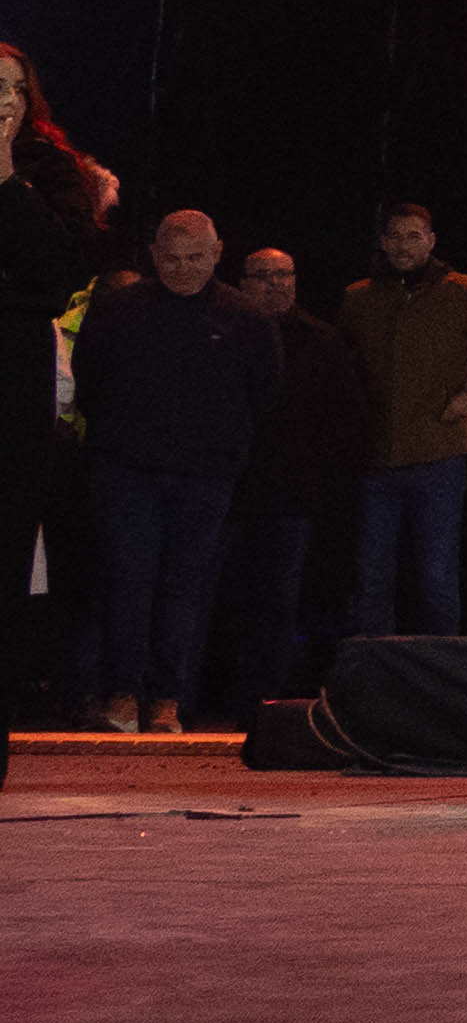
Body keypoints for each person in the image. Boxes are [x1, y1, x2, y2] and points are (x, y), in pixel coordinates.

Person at [72, 208, 277, 732]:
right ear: (154, 256)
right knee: (127, 581)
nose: (183, 269)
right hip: (127, 470)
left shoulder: (246, 320)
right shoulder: (118, 311)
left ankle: (165, 699)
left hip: (206, 476)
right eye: (172, 258)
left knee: (184, 588)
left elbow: (263, 398)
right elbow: (89, 380)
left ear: (216, 253)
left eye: (195, 258)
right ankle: (121, 694)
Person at [0, 41, 119, 756]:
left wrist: (4, 175)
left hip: (11, 369)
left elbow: (56, 274)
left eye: (15, 87)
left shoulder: (51, 174)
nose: (4, 99)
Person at [337, 199, 467, 640]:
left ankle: (439, 678)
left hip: (438, 454)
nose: (403, 245)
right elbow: (341, 367)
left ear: (431, 241)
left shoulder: (462, 291)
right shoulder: (360, 298)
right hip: (375, 457)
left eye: (413, 236)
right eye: (395, 236)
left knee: (435, 579)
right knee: (369, 580)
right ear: (383, 242)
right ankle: (376, 680)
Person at [221, 247, 374, 714]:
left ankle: (267, 700)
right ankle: (221, 695)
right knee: (224, 598)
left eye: (285, 273)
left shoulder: (322, 341)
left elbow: (345, 421)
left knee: (280, 601)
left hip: (292, 493)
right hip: (227, 488)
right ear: (243, 282)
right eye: (264, 275)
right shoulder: (227, 332)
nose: (276, 283)